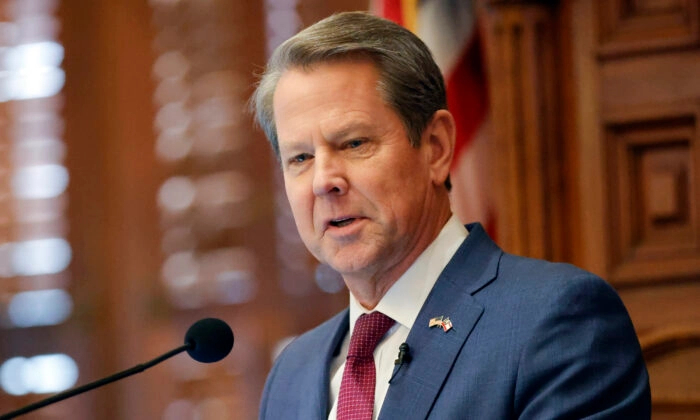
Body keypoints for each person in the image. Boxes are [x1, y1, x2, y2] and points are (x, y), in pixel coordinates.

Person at [251, 11, 650, 420]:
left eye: (354, 144)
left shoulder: (557, 321)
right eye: (300, 157)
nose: (323, 181)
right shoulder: (292, 374)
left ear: (436, 148)